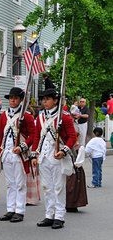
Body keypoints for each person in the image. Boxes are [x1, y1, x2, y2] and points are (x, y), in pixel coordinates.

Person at [31, 88, 77, 230]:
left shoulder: (64, 116)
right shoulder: (40, 117)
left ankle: (59, 216)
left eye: (47, 99)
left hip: (57, 157)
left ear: (55, 100)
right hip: (44, 157)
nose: (44, 102)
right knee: (47, 187)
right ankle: (49, 215)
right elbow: (37, 136)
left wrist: (64, 151)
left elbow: (72, 137)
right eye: (43, 99)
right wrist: (35, 153)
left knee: (58, 187)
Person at [0, 87, 36, 223]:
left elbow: (33, 135)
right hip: (6, 153)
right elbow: (0, 134)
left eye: (15, 98)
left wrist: (22, 147)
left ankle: (19, 211)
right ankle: (10, 209)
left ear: (20, 100)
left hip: (19, 154)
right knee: (10, 184)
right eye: (11, 98)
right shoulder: (4, 115)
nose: (12, 100)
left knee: (20, 184)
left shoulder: (27, 116)